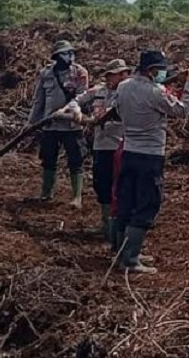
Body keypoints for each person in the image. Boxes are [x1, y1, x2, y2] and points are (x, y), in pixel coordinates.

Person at [114, 50, 189, 274]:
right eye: (160, 69)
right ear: (151, 71)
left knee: (126, 204)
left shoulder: (123, 86)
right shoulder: (155, 92)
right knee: (146, 206)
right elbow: (182, 111)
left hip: (129, 153)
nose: (163, 73)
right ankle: (130, 261)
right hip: (149, 157)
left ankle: (120, 251)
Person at [72, 59, 132, 242]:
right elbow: (76, 100)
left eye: (123, 74)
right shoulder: (97, 92)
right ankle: (106, 225)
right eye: (116, 74)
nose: (120, 77)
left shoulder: (128, 94)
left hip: (122, 147)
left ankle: (122, 229)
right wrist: (77, 112)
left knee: (121, 188)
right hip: (101, 146)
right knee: (102, 186)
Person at [28, 40, 89, 206]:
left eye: (71, 53)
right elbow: (38, 101)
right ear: (57, 56)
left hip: (71, 125)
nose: (69, 56)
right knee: (48, 159)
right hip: (50, 125)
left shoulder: (79, 73)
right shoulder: (45, 74)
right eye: (65, 53)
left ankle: (77, 197)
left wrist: (64, 113)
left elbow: (81, 98)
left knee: (75, 160)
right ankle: (46, 193)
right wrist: (31, 123)